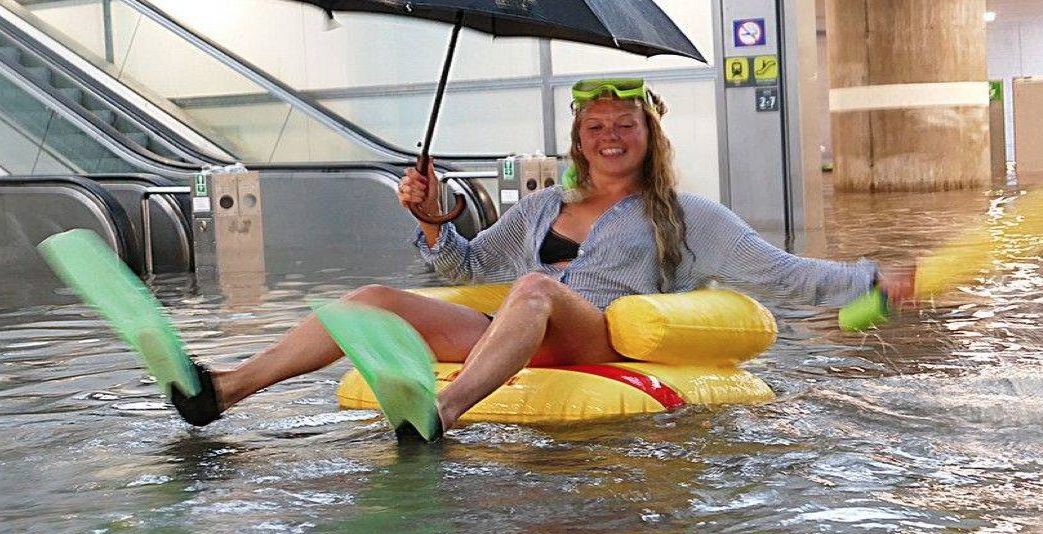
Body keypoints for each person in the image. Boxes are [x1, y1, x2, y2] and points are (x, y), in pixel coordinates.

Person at [171, 78, 911, 438]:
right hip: (521, 325)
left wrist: (868, 281)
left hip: (600, 336)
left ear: (650, 136)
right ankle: (224, 390)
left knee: (534, 287)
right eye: (596, 127)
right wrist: (430, 219)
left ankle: (442, 412)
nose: (610, 136)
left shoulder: (685, 214)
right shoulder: (540, 206)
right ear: (579, 140)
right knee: (368, 298)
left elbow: (776, 270)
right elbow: (464, 269)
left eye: (625, 124)